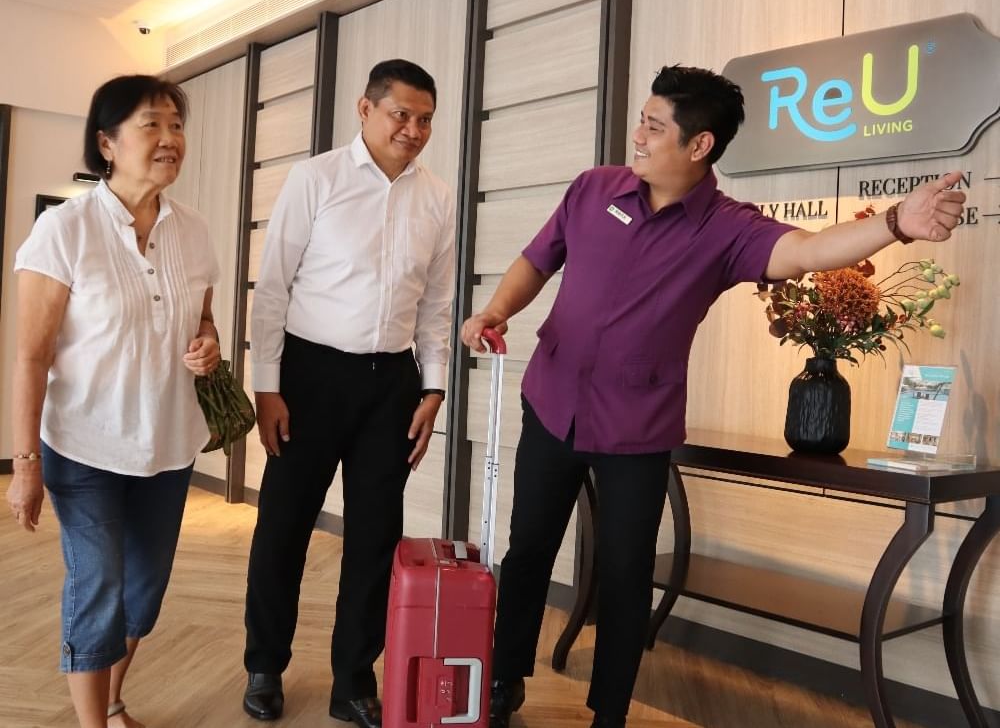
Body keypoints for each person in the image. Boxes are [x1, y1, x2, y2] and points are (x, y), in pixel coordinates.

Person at [460, 64, 967, 728]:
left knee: (624, 574)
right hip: (552, 403)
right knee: (527, 550)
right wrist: (494, 310)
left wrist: (897, 222)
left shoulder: (727, 229)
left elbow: (810, 251)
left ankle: (608, 712)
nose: (637, 136)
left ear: (699, 146)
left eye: (653, 126)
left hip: (637, 427)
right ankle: (504, 681)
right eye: (642, 120)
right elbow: (537, 259)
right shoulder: (594, 188)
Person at [242, 59, 455, 728]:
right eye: (401, 114)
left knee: (374, 537)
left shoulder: (437, 198)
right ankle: (264, 666)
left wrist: (434, 388)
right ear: (365, 110)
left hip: (389, 384)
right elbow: (272, 289)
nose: (413, 129)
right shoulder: (316, 179)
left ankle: (353, 680)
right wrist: (268, 388)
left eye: (424, 119)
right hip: (308, 377)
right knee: (284, 527)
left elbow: (437, 305)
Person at [6, 75, 221, 728]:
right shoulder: (64, 232)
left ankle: (114, 694)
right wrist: (24, 465)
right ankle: (92, 723)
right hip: (85, 445)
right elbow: (31, 357)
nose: (169, 139)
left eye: (176, 126)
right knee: (98, 589)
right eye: (151, 125)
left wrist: (207, 346)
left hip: (170, 442)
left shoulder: (196, 231)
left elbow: (204, 324)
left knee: (143, 596)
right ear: (107, 142)